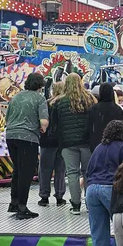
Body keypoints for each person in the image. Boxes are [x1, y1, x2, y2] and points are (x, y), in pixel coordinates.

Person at [85, 120, 123, 246]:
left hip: (92, 191)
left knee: (98, 235)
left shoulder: (99, 147)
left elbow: (88, 171)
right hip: (111, 189)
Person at [5, 72, 49, 219]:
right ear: (41, 85)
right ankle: (22, 207)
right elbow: (44, 122)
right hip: (28, 138)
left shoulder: (16, 97)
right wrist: (43, 129)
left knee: (17, 170)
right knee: (27, 173)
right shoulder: (40, 99)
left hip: (11, 136)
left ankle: (14, 202)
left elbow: (7, 117)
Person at [51, 73, 95, 215]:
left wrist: (60, 138)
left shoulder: (59, 102)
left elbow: (54, 125)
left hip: (67, 143)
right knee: (88, 173)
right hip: (86, 143)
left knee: (72, 173)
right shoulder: (88, 99)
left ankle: (76, 205)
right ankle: (90, 205)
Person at [37, 80, 67, 208]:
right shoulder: (66, 104)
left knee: (45, 170)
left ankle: (44, 197)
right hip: (62, 142)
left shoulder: (46, 103)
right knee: (60, 170)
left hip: (47, 141)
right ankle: (59, 196)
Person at [86, 82, 123, 150]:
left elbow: (88, 127)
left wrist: (90, 142)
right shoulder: (117, 109)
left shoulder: (94, 108)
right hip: (115, 145)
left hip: (97, 144)